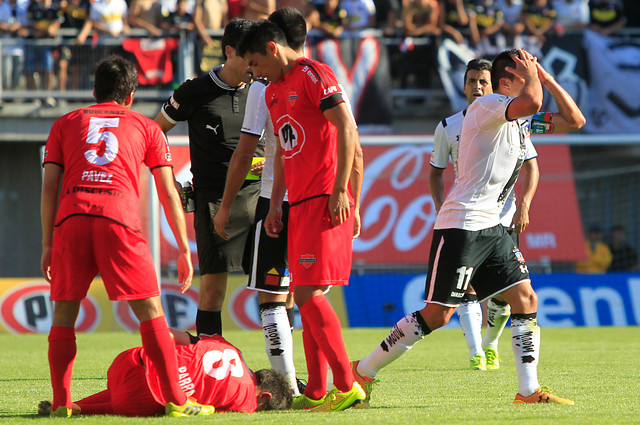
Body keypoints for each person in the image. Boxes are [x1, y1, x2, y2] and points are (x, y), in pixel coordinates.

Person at [353, 48, 586, 406]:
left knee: (525, 299)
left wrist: (547, 76)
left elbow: (575, 120)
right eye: (525, 74)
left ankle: (527, 391)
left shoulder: (520, 119)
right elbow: (534, 100)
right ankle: (364, 371)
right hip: (462, 225)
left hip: (492, 227)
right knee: (437, 314)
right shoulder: (488, 106)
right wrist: (535, 80)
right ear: (506, 83)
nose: (532, 78)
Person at [40, 55, 214, 418]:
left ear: (94, 91)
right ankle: (178, 403)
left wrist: (47, 244)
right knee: (151, 313)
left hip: (72, 219)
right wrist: (183, 247)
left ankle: (61, 404)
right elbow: (168, 192)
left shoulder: (64, 123)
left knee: (64, 316)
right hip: (118, 219)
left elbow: (49, 188)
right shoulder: (146, 127)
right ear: (131, 95)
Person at [237, 19, 365, 411]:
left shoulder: (315, 74)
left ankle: (346, 386)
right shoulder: (273, 91)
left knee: (308, 292)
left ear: (273, 49)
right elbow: (281, 152)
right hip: (298, 202)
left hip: (326, 197)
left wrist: (343, 189)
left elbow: (346, 128)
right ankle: (315, 391)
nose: (255, 73)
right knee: (306, 291)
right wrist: (277, 204)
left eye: (256, 63)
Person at [213, 7, 309, 399]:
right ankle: (313, 381)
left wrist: (224, 206)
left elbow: (245, 150)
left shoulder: (262, 88)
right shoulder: (323, 76)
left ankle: (287, 384)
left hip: (276, 201)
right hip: (315, 199)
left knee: (272, 296)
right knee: (301, 294)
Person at [430, 58, 539, 371]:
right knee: (468, 291)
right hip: (470, 218)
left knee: (506, 298)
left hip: (503, 218)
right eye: (471, 81)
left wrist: (525, 204)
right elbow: (435, 172)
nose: (476, 87)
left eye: (483, 82)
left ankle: (490, 344)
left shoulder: (515, 120)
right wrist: (441, 208)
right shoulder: (448, 126)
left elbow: (533, 165)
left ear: (494, 88)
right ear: (463, 85)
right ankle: (476, 351)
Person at [155, 18, 262, 338]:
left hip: (261, 199)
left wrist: (268, 163)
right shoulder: (194, 91)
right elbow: (153, 132)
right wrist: (168, 179)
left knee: (277, 292)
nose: (256, 64)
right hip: (214, 202)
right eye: (249, 56)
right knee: (213, 292)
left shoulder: (264, 87)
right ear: (229, 51)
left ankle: (284, 372)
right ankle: (209, 367)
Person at [38, 331, 293, 416]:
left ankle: (70, 405)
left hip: (128, 359)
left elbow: (180, 335)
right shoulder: (247, 402)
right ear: (265, 396)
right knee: (152, 400)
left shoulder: (229, 347)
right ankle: (80, 409)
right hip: (138, 396)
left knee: (139, 383)